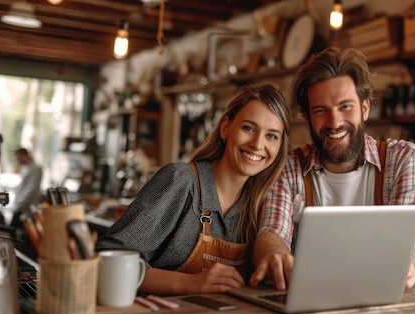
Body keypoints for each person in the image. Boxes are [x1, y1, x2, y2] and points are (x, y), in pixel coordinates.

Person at [250, 47, 415, 291]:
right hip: (307, 300)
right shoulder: (289, 166)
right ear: (307, 117)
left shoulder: (405, 160)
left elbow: (401, 244)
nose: (334, 123)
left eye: (345, 107)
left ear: (364, 109)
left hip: (380, 299)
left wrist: (408, 262)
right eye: (321, 110)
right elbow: (272, 231)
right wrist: (274, 254)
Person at [96, 84, 291, 296]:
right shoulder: (180, 180)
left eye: (271, 136)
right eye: (249, 129)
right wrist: (188, 283)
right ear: (225, 128)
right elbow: (107, 257)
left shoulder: (259, 206)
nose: (257, 144)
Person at [10, 148, 43, 228]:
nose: (18, 160)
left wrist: (20, 204)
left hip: (25, 208)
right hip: (22, 206)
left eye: (19, 158)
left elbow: (31, 189)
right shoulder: (28, 168)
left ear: (24, 155)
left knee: (15, 232)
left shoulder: (36, 168)